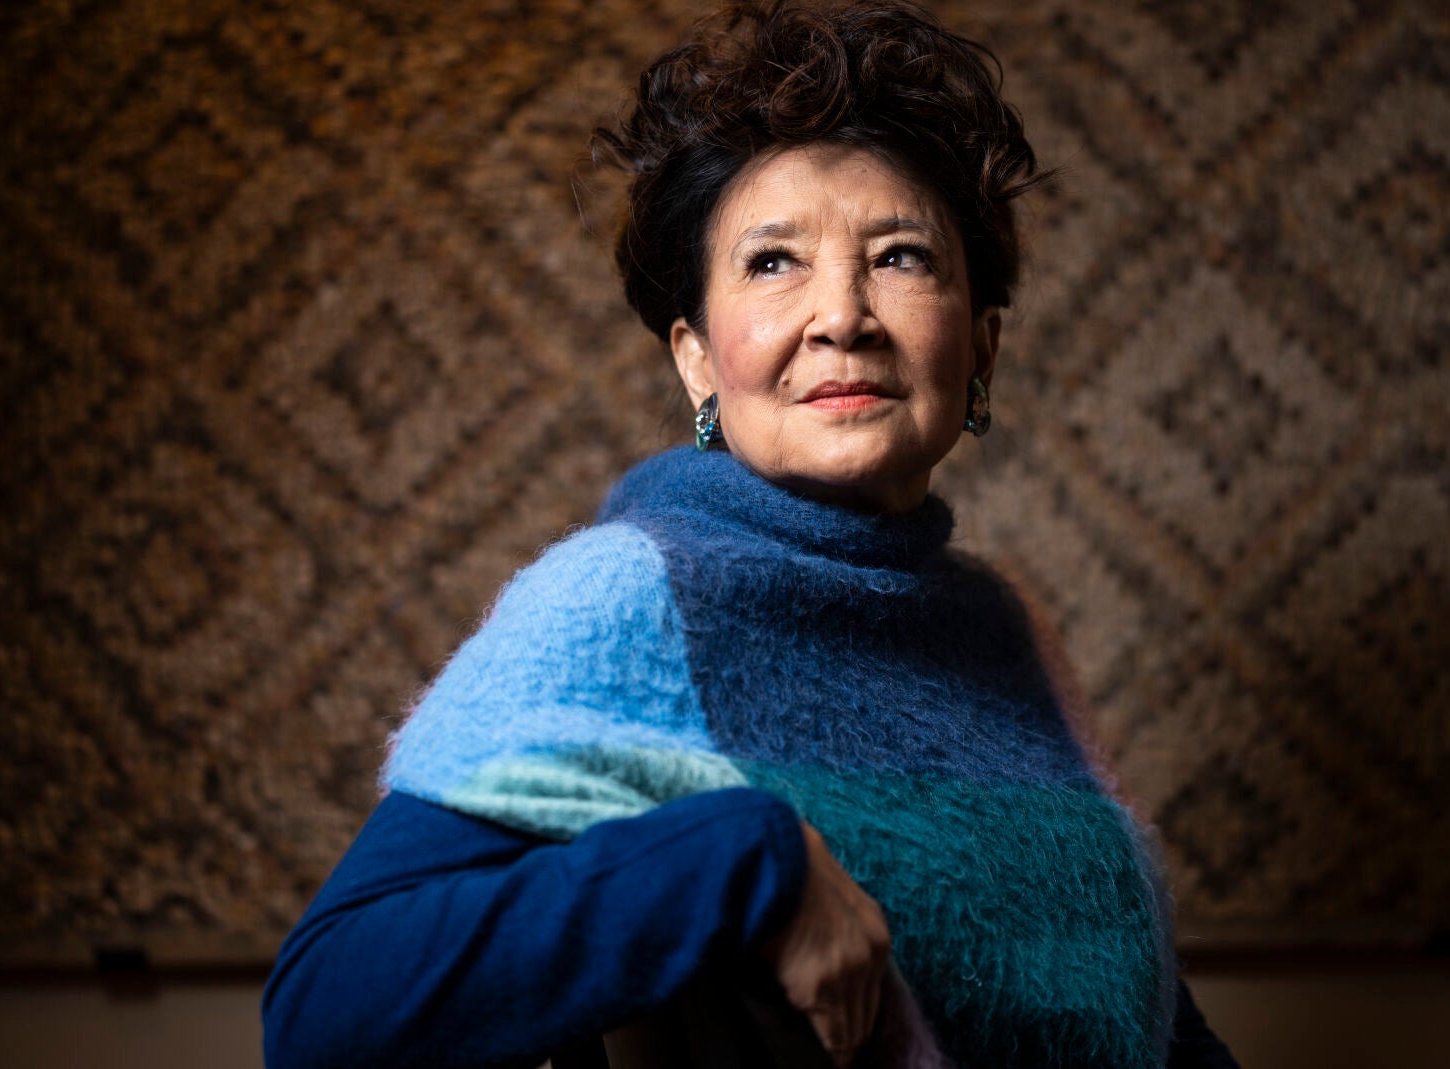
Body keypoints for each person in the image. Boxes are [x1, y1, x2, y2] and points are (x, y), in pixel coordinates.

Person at [261, 2, 1239, 1067]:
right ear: (697, 360)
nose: (843, 317)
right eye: (773, 263)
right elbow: (325, 1010)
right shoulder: (623, 601)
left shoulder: (1007, 632)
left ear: (981, 348)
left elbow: (1142, 1021)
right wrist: (741, 860)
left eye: (901, 257)